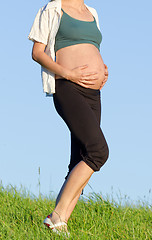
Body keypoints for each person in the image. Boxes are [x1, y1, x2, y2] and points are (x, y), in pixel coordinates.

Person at [28, 0, 109, 236]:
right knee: (98, 152)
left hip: (94, 92)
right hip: (68, 87)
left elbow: (91, 48)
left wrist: (102, 69)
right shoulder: (52, 9)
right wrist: (69, 73)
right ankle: (57, 215)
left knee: (81, 157)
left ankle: (59, 225)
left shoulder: (91, 12)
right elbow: (37, 53)